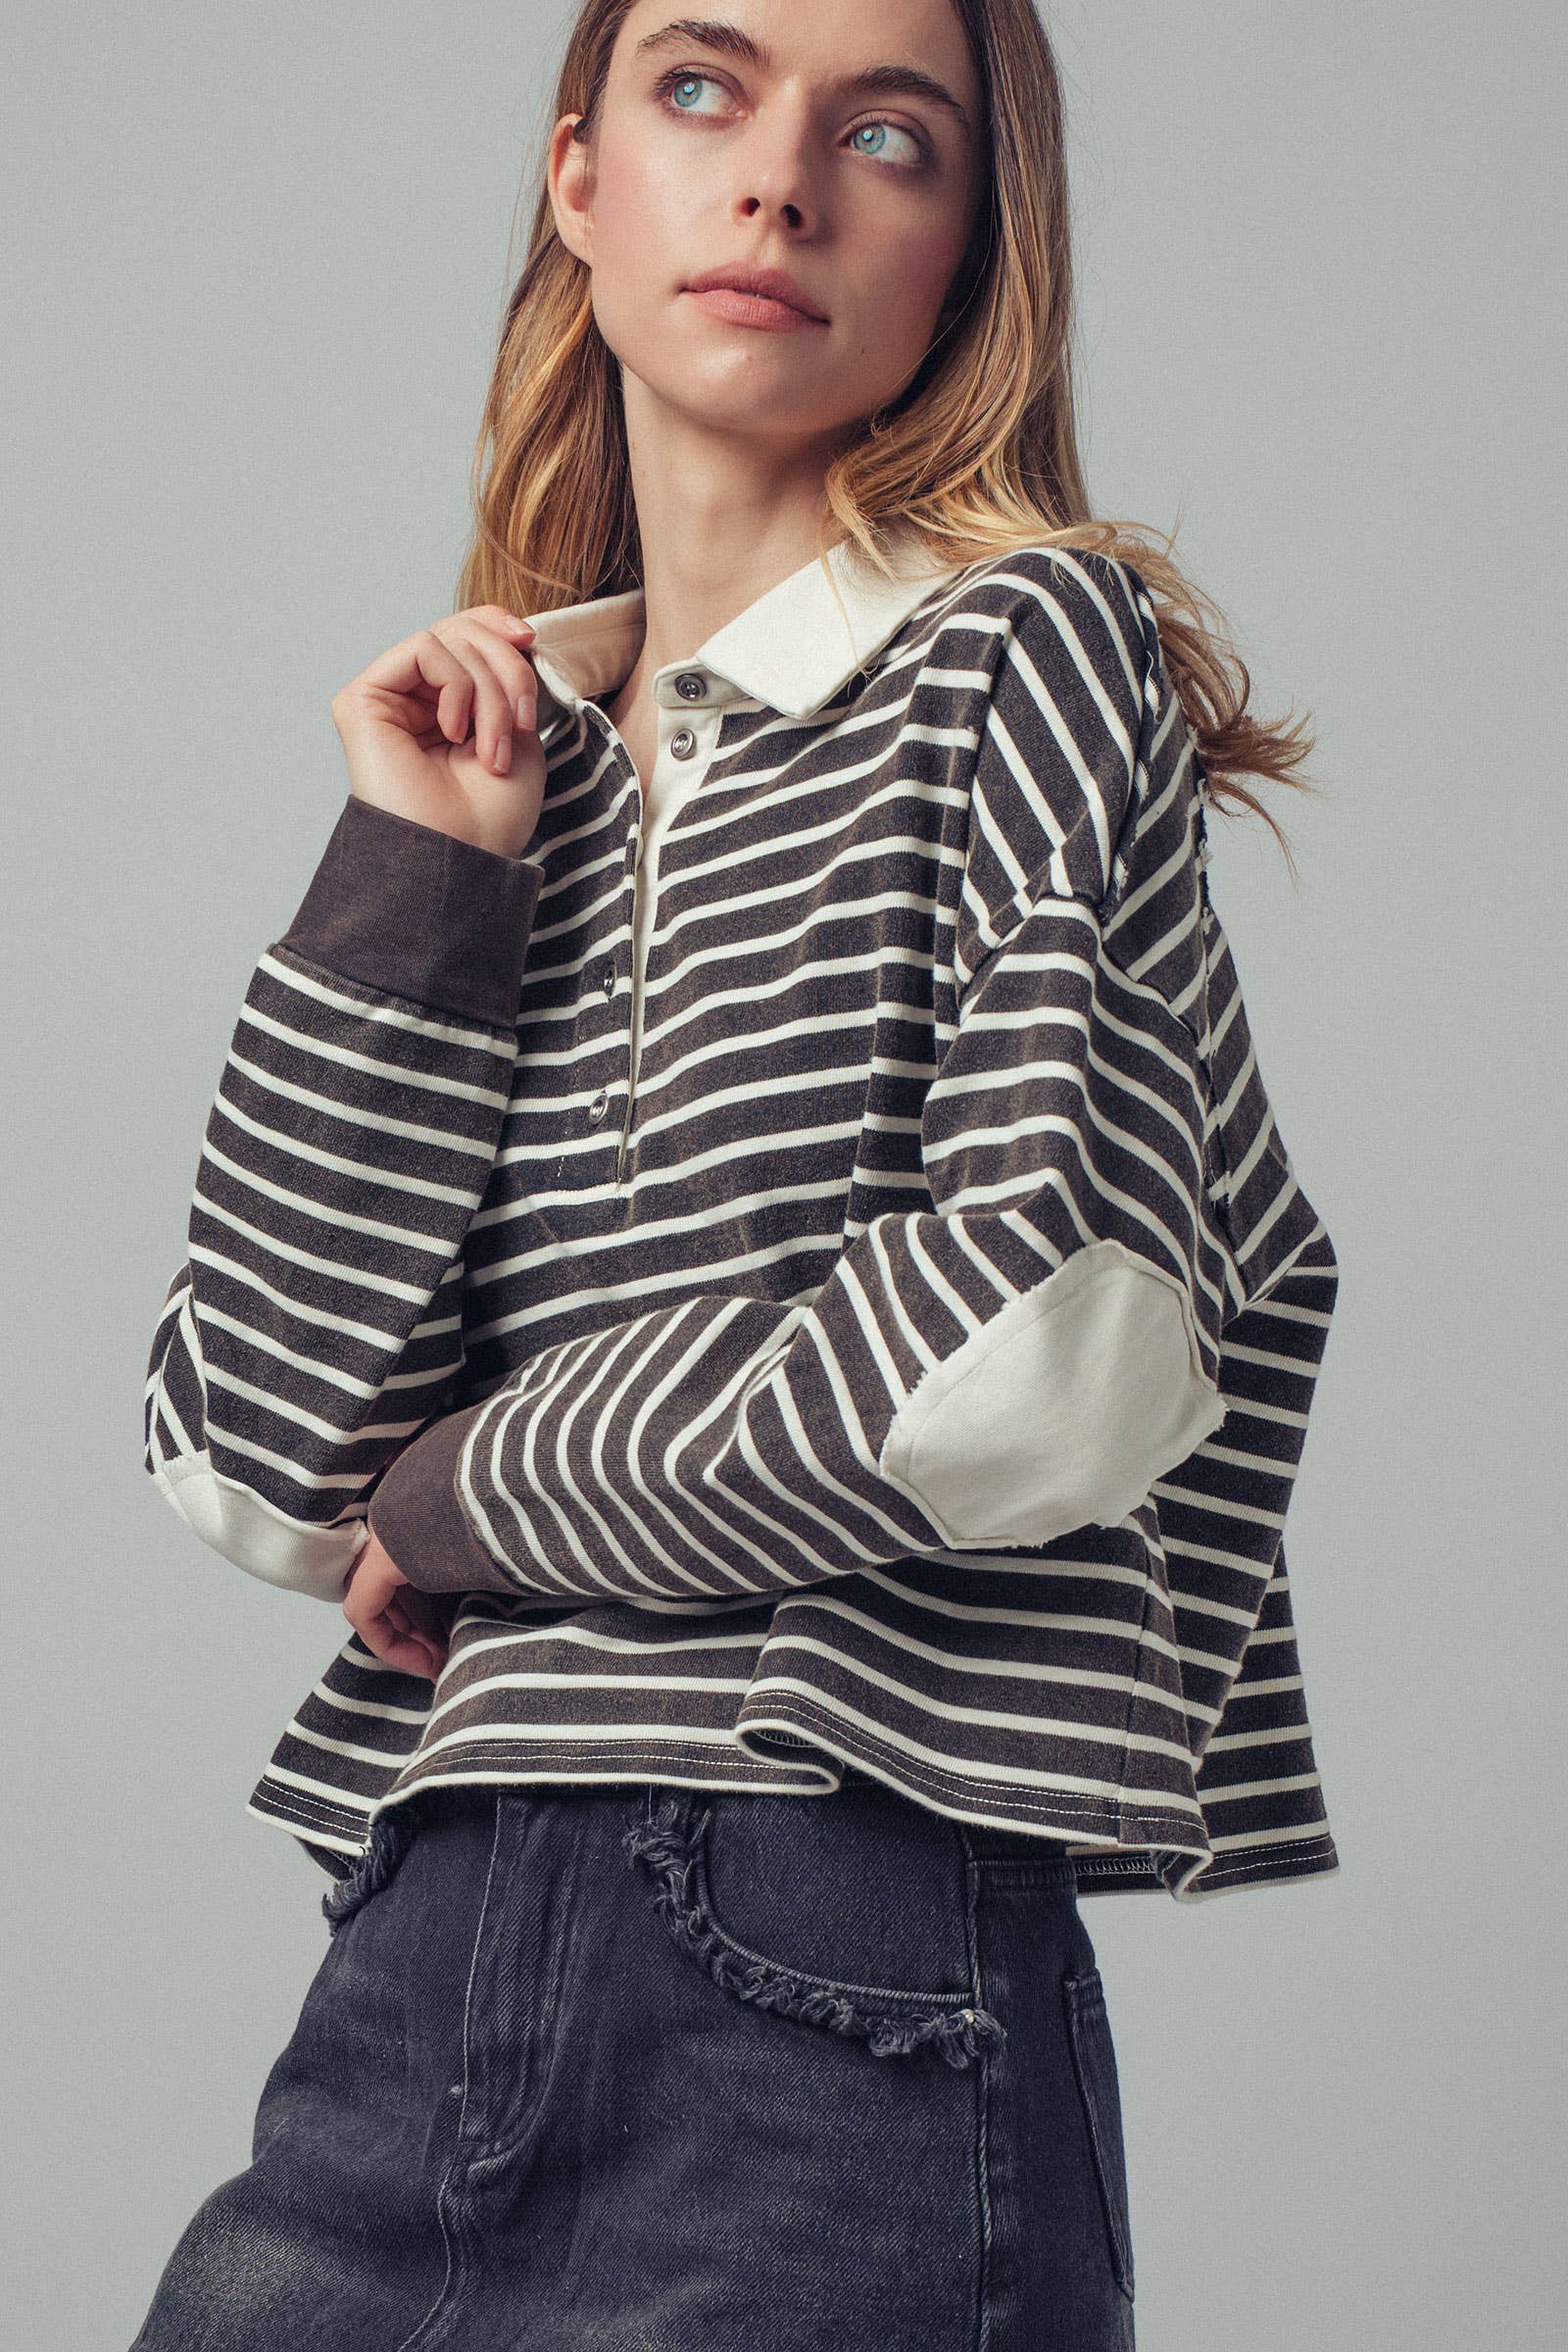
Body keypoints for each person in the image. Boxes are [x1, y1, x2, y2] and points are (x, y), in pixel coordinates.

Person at [130, 3, 1343, 2346]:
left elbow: (1034, 1343)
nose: (778, 177)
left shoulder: (1024, 645)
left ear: (969, 247)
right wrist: (418, 884)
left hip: (830, 1948)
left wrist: (475, 1488)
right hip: (419, 1942)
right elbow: (258, 1468)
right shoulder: (505, 775)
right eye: (703, 88)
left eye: (885, 135)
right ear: (577, 177)